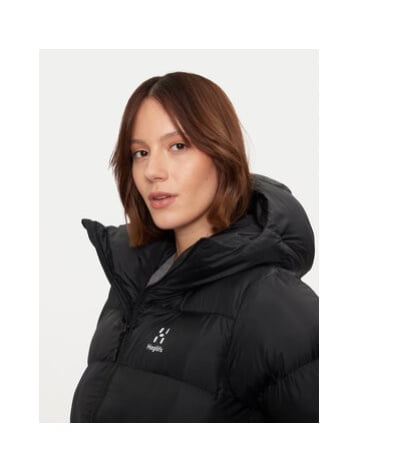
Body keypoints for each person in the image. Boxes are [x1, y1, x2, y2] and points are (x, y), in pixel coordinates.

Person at [70, 71, 319, 422]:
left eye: (178, 146)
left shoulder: (272, 305)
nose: (152, 171)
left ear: (221, 152)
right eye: (140, 152)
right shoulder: (133, 284)